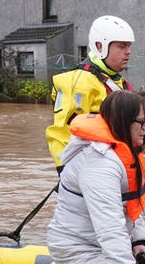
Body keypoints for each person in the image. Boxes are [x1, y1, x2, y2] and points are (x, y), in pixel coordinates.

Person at [46, 91, 145, 264]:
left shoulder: (123, 153)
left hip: (96, 245)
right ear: (124, 122)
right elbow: (110, 226)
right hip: (78, 249)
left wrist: (138, 242)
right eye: (142, 123)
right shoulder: (100, 165)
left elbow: (130, 205)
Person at [46, 15, 135, 172]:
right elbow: (63, 132)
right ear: (100, 47)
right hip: (91, 170)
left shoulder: (116, 82)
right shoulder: (81, 82)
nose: (128, 52)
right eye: (122, 47)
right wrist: (65, 172)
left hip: (115, 166)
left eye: (129, 46)